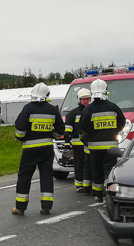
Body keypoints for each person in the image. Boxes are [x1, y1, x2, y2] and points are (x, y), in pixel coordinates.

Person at [12, 83, 66, 216]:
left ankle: (20, 208)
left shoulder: (28, 108)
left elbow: (19, 130)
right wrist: (51, 135)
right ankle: (46, 207)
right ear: (47, 95)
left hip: (30, 149)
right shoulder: (53, 110)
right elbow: (60, 132)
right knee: (46, 177)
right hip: (47, 149)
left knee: (24, 177)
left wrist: (21, 138)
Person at [80, 79, 126, 204]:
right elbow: (122, 123)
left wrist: (92, 133)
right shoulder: (114, 107)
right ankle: (111, 194)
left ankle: (98, 195)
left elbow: (83, 127)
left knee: (96, 170)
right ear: (106, 91)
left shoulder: (88, 109)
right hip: (111, 148)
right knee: (110, 170)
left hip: (94, 147)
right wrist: (114, 131)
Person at [64, 88, 92, 193]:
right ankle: (79, 185)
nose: (86, 101)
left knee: (89, 164)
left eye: (87, 99)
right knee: (79, 164)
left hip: (91, 143)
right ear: (79, 100)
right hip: (78, 144)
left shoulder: (93, 110)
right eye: (83, 99)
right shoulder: (73, 113)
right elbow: (68, 129)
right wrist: (67, 141)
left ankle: (88, 184)